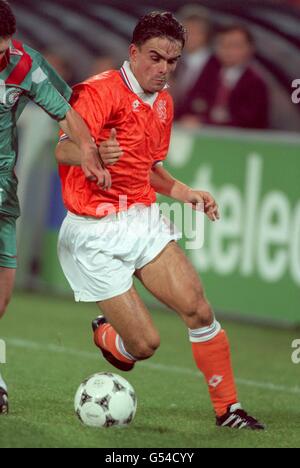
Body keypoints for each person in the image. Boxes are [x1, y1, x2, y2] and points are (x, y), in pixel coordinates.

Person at [56, 11, 264, 430]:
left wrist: (184, 192)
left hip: (140, 217)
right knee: (145, 345)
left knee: (198, 308)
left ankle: (229, 410)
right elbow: (62, 150)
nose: (164, 70)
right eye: (155, 58)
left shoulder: (164, 103)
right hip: (93, 230)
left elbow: (147, 166)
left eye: (172, 62)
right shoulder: (97, 93)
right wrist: (92, 154)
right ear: (133, 52)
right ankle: (109, 334)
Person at [0, 0, 111, 414]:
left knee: (3, 295)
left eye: (4, 47)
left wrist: (86, 150)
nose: (2, 55)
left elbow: (66, 112)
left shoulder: (25, 63)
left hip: (2, 191)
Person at [176, 24, 269, 129]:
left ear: (249, 48)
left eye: (235, 45)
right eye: (223, 45)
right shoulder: (209, 73)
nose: (228, 50)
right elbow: (189, 104)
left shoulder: (255, 82)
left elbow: (248, 123)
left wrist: (204, 123)